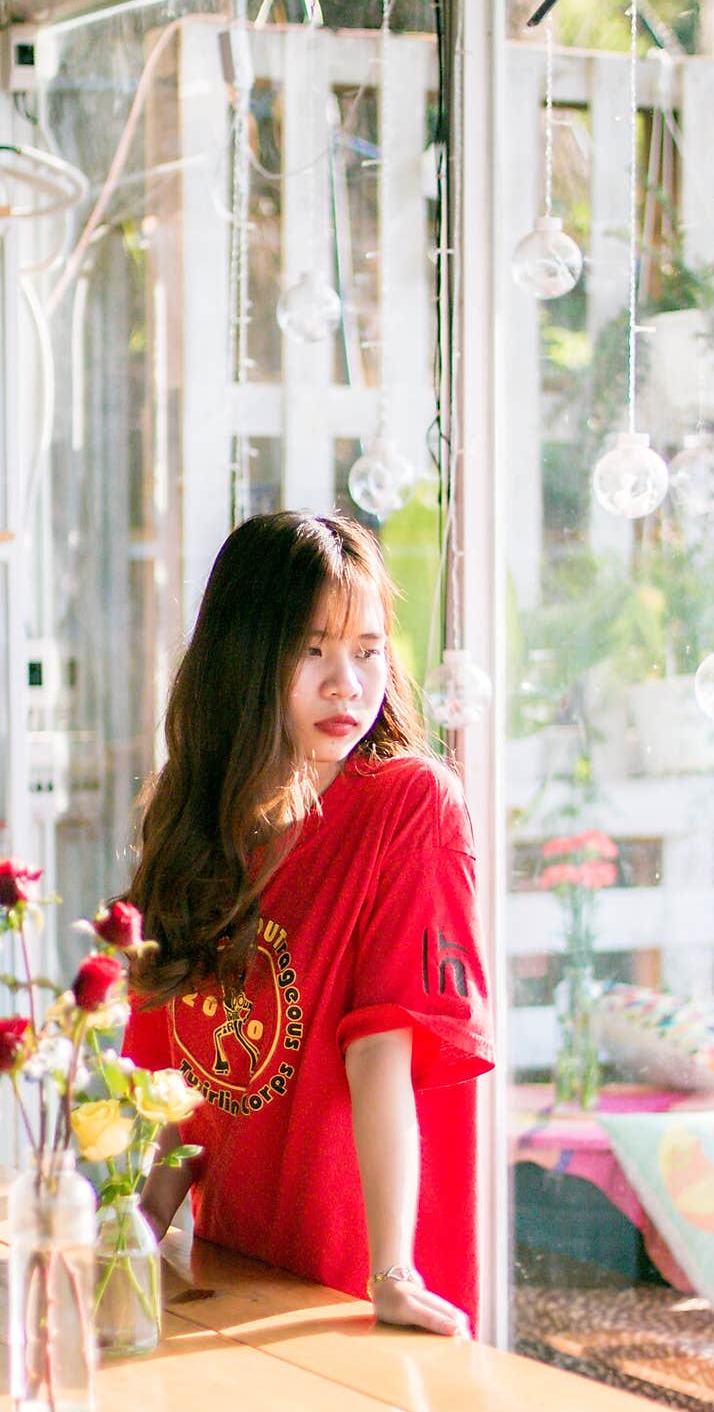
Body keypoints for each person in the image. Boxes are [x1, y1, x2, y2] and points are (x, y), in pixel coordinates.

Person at [120, 510, 494, 1338]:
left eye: (366, 650)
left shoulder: (411, 805)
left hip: (352, 1293)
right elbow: (183, 1088)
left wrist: (391, 1271)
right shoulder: (205, 834)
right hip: (242, 1269)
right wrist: (135, 1233)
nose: (346, 685)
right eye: (311, 648)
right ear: (244, 658)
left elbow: (381, 1050)